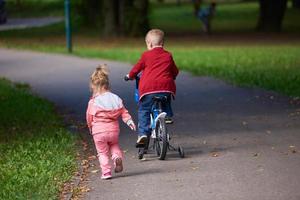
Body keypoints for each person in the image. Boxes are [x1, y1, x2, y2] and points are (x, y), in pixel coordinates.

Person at [126, 29, 179, 147]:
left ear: (149, 44)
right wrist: (172, 77)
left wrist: (130, 76)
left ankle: (143, 134)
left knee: (144, 110)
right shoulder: (168, 55)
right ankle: (167, 116)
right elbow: (175, 71)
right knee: (165, 98)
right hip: (166, 87)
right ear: (163, 43)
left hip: (148, 89)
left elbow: (136, 69)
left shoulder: (146, 55)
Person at [86, 65, 136, 180]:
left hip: (98, 131)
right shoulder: (116, 98)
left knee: (102, 152)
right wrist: (129, 121)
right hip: (113, 130)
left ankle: (106, 172)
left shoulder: (93, 102)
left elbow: (89, 116)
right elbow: (124, 112)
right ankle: (117, 157)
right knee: (114, 145)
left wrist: (90, 127)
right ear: (107, 85)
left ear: (94, 87)